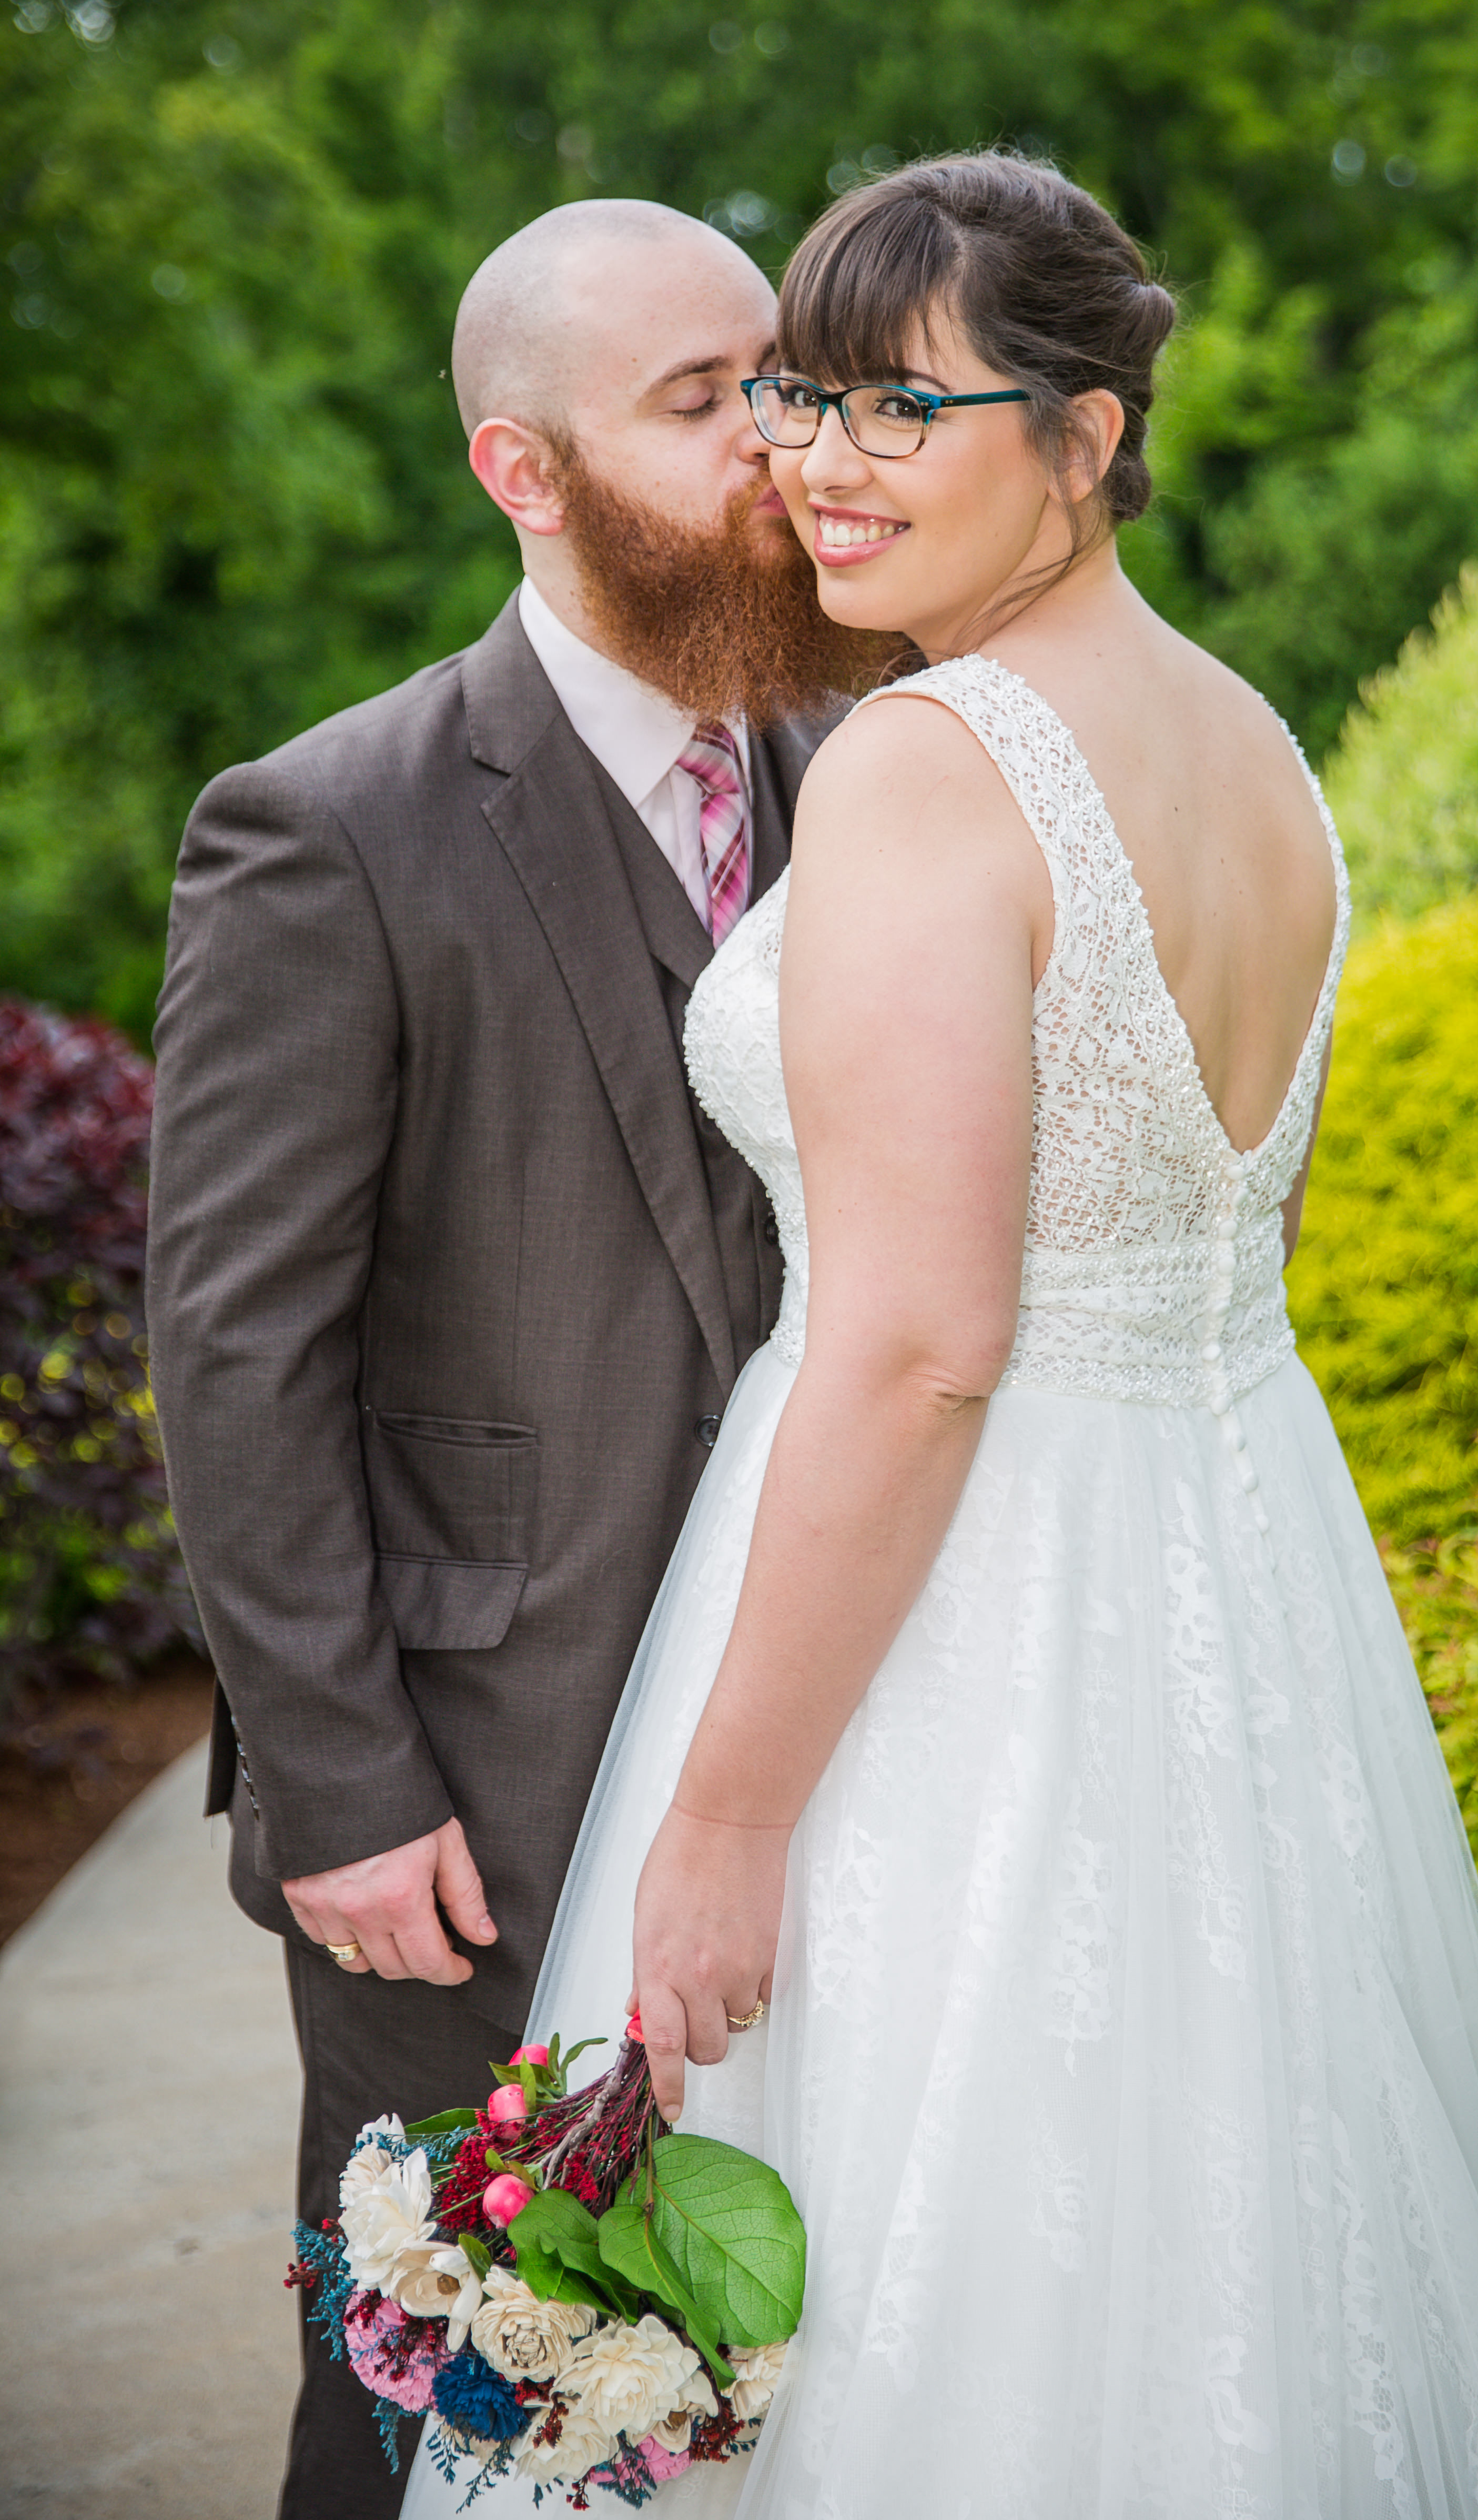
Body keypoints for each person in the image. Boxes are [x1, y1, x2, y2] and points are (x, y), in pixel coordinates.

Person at [403, 155, 1478, 2517]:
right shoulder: (1259, 751)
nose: (821, 459)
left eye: (907, 407)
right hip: (1231, 1591)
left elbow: (921, 1347)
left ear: (1086, 440)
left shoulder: (932, 761)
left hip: (963, 1629)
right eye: (805, 396)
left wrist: (728, 1819)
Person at [146, 198, 879, 2520]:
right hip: (468, 1788)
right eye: (701, 400)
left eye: (782, 381)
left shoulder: (879, 767)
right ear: (521, 471)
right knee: (434, 2417)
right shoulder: (327, 830)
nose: (776, 443)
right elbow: (237, 1347)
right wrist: (340, 1783)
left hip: (839, 1742)